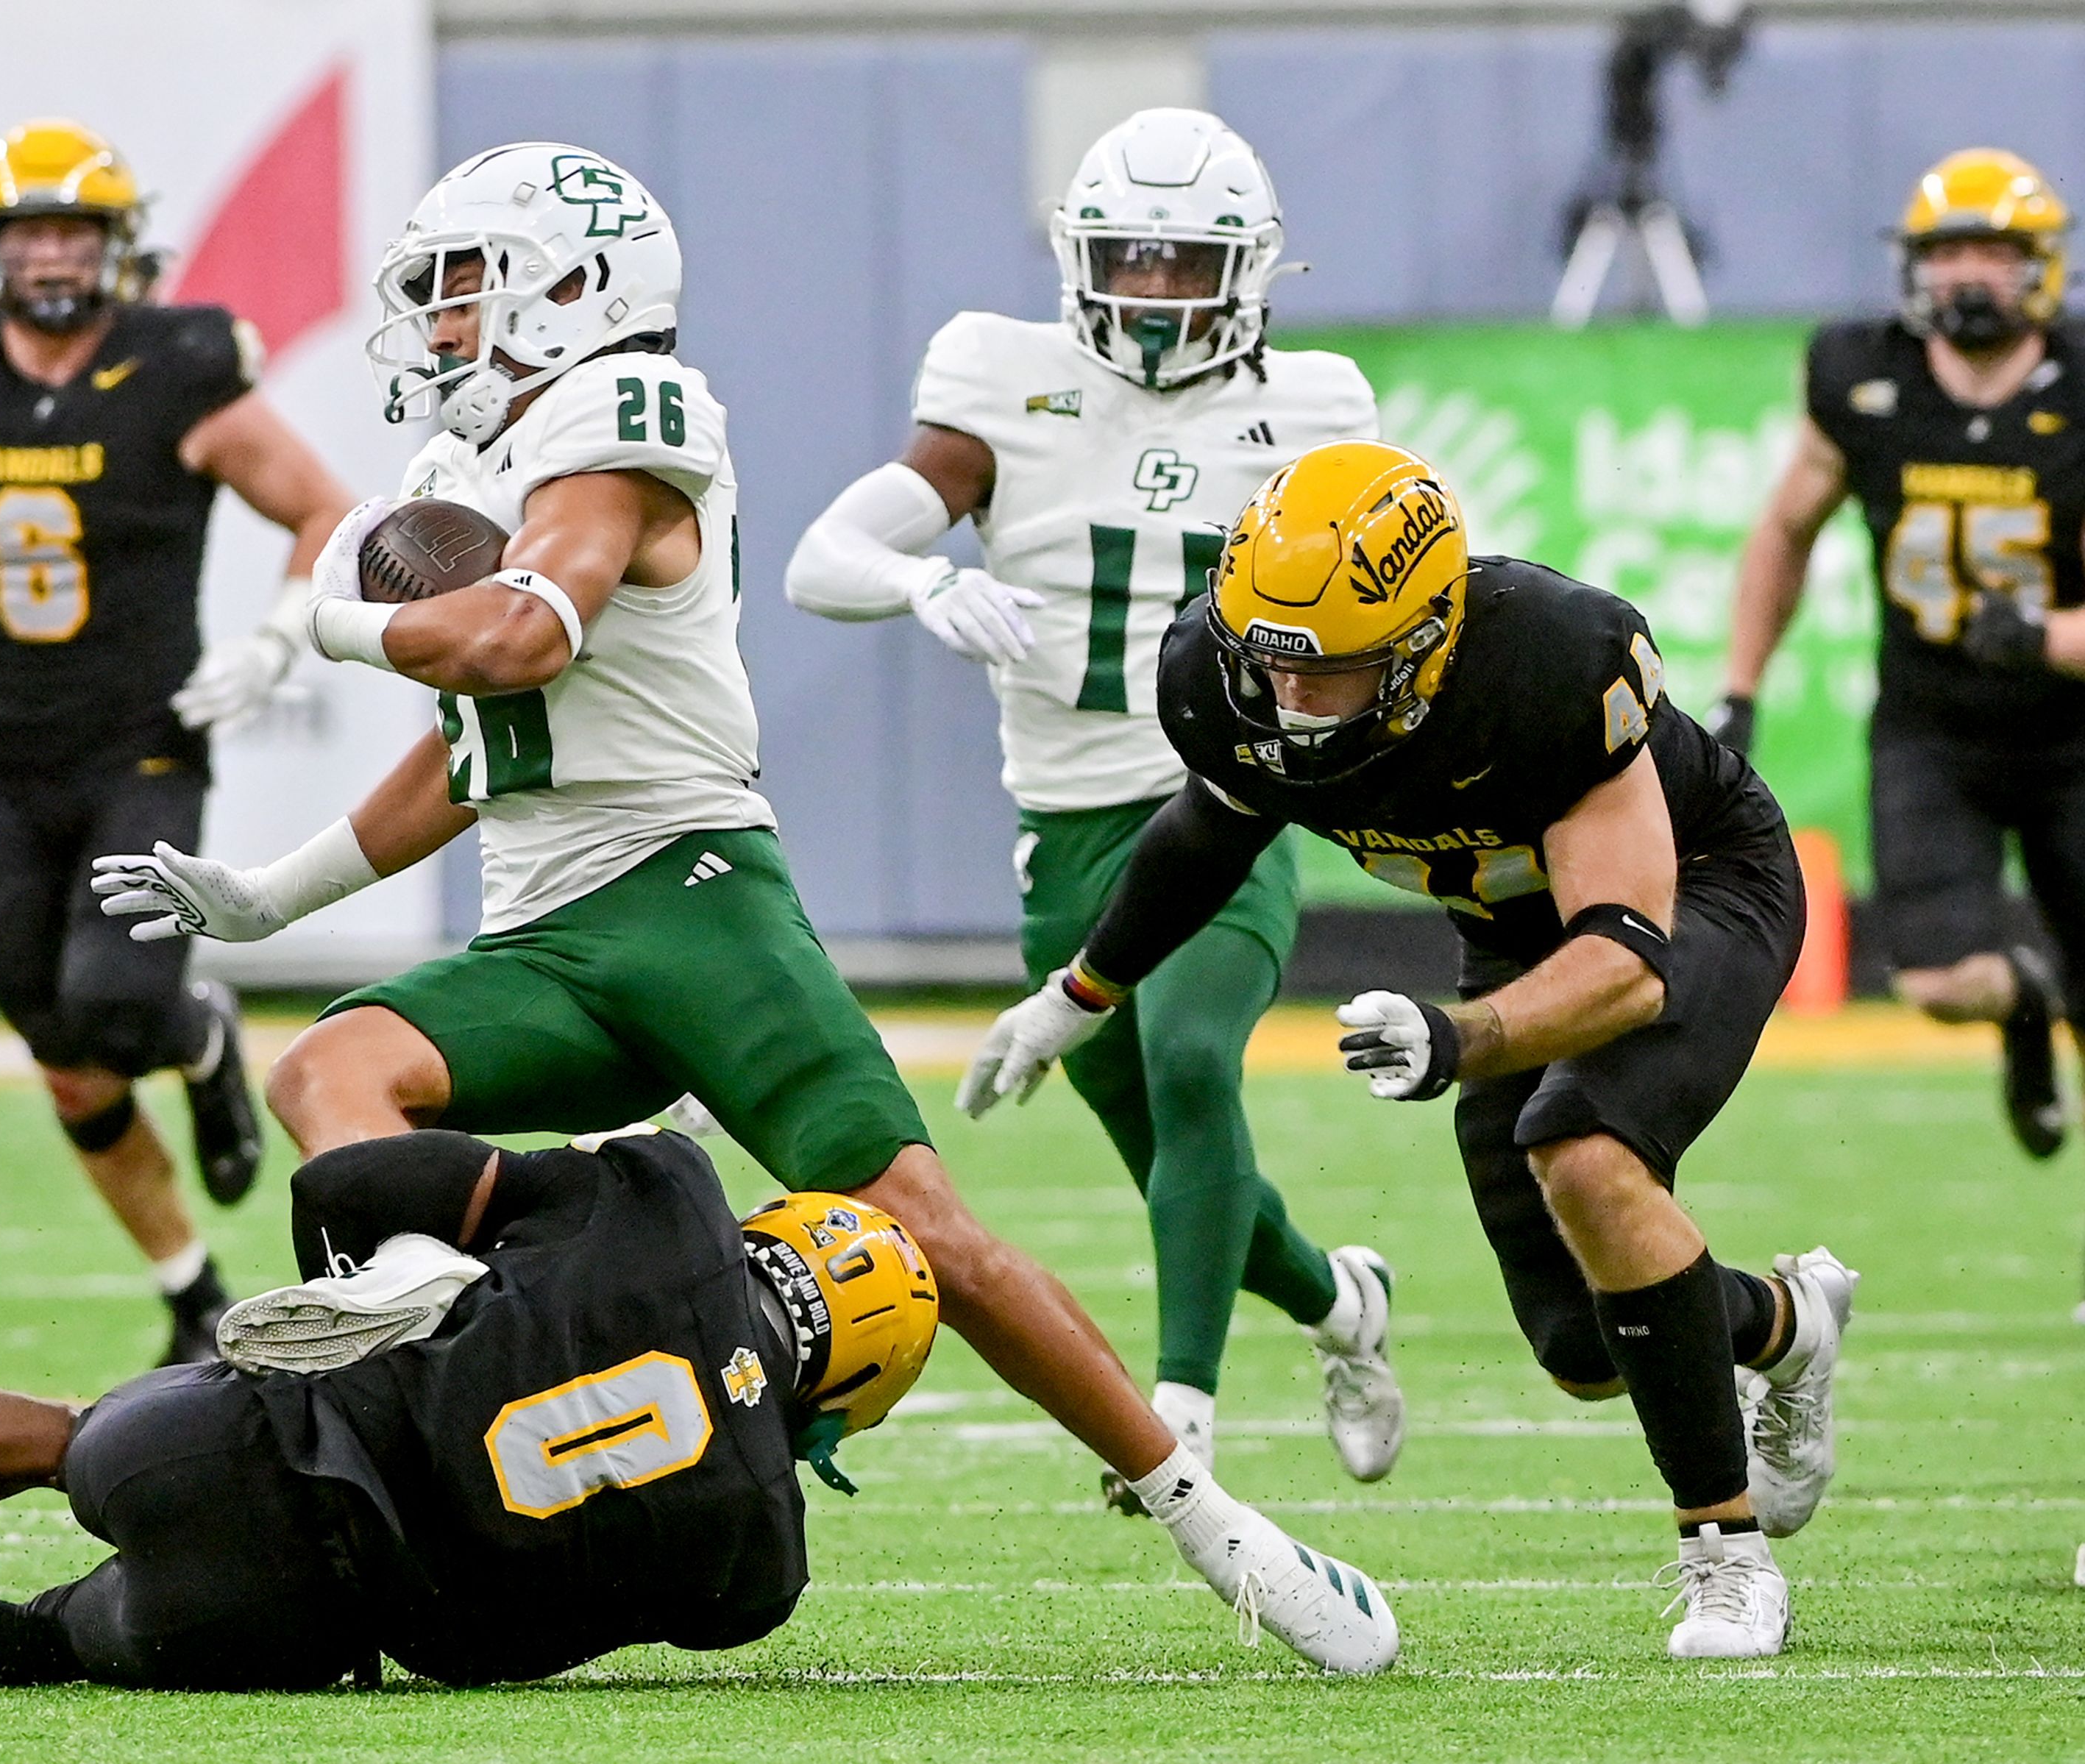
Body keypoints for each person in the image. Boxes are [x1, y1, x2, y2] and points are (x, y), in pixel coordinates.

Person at [90, 142, 1398, 1673]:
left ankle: (1211, 1516)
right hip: (551, 933)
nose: (438, 327)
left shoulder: (626, 419)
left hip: (696, 895)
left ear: (569, 294)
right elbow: (479, 754)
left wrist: (335, 609)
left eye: (463, 293)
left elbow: (519, 639)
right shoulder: (464, 472)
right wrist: (270, 890)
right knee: (327, 1070)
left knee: (931, 1233)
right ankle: (441, 1283)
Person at [960, 440, 1858, 1660]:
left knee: (1583, 1148)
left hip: (1692, 894)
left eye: (1329, 675)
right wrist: (1083, 989)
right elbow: (1213, 826)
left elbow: (1627, 956)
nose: (1289, 705)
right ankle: (1783, 1323)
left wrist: (1461, 1036)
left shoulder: (1550, 663)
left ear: (1428, 639)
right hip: (1512, 928)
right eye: (1268, 669)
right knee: (1585, 1349)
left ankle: (1727, 1557)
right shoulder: (1232, 678)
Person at [786, 108, 1401, 1476]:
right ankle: (1342, 1302)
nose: (1160, 291)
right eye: (1133, 256)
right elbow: (821, 559)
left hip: (1231, 801)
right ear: (1078, 255)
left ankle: (1178, 1412)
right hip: (1063, 835)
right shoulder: (1003, 379)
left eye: (1190, 262)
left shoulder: (1315, 406)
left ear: (1250, 272)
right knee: (1194, 1173)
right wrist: (923, 576)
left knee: (1193, 1063)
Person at [0, 1125, 934, 1691]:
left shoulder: (666, 1191)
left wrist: (407, 1290)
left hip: (251, 1436)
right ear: (854, 1389)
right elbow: (498, 1653)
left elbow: (355, 1178)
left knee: (58, 1436)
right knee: (46, 1638)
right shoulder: (761, 1565)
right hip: (305, 1617)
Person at [0, 120, 357, 1363]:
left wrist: (276, 638)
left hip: (141, 744)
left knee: (114, 1000)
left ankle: (197, 1033)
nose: (49, 256)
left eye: (71, 231)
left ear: (116, 246)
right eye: (27, 231)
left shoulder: (181, 367)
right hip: (3, 751)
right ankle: (191, 1292)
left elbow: (322, 508)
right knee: (64, 1055)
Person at [1722, 146, 2085, 1174]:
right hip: (1934, 725)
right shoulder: (1864, 375)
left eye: (1992, 251)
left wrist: (2050, 636)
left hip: (2071, 729)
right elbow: (1784, 530)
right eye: (1948, 252)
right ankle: (2025, 1004)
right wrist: (1738, 689)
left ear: (2041, 267)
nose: (1968, 275)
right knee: (1937, 979)